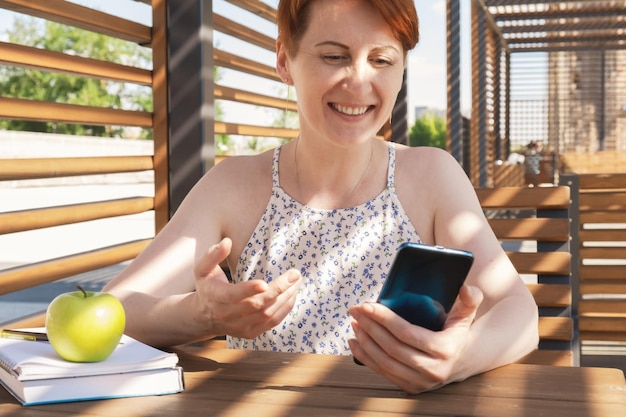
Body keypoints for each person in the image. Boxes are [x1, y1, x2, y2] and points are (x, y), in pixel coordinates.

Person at [104, 0, 539, 394]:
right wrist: (203, 314)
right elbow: (116, 310)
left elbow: (518, 311)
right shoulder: (234, 185)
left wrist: (457, 359)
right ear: (284, 61)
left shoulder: (431, 175)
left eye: (382, 59)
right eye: (334, 56)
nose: (359, 81)